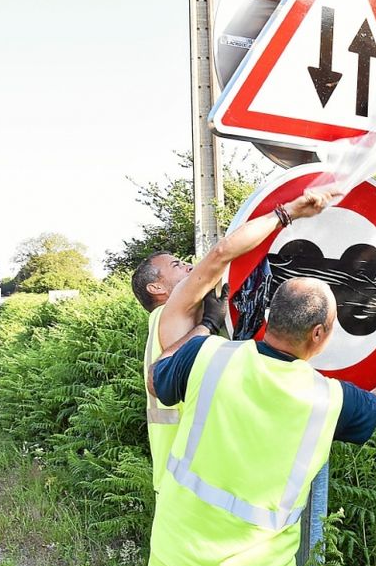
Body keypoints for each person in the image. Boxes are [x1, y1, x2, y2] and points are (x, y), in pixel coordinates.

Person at [146, 277, 376, 566]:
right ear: (317, 333)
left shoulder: (207, 354)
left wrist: (207, 324)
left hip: (173, 556)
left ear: (270, 315)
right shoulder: (327, 399)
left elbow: (155, 377)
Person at [130, 190, 337, 493]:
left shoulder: (161, 323)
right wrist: (288, 212)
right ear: (156, 287)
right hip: (191, 480)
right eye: (177, 266)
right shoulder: (173, 308)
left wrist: (209, 323)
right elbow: (222, 253)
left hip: (178, 477)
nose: (189, 267)